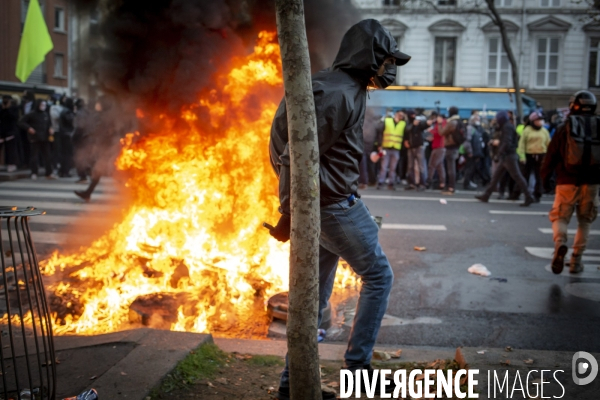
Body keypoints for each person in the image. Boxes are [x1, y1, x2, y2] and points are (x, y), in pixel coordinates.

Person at [268, 19, 410, 400]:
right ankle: (359, 371)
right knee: (379, 276)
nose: (389, 70)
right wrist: (289, 213)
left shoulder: (341, 85)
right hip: (332, 206)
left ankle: (293, 384)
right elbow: (294, 154)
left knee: (313, 295)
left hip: (326, 205)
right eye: (386, 60)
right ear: (368, 57)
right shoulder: (339, 93)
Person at [541, 90, 600, 274]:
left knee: (560, 217)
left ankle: (560, 244)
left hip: (566, 181)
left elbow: (550, 156)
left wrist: (545, 179)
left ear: (573, 105)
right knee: (585, 221)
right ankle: (576, 261)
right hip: (591, 182)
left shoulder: (565, 127)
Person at [475, 110, 535, 206]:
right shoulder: (507, 126)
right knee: (496, 176)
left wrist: (499, 154)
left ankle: (528, 196)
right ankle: (486, 195)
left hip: (509, 156)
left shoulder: (507, 127)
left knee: (517, 176)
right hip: (506, 155)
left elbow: (506, 142)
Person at [74, 97, 119, 201]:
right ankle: (87, 193)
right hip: (105, 148)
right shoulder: (103, 116)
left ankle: (138, 194)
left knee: (117, 172)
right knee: (98, 172)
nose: (96, 105)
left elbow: (106, 133)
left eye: (98, 103)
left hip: (109, 149)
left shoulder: (106, 118)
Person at [518, 111, 550, 202]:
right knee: (526, 176)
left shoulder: (544, 131)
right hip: (529, 155)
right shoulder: (527, 130)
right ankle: (526, 195)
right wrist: (522, 156)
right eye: (538, 120)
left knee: (539, 176)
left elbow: (549, 144)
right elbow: (522, 144)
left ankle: (538, 194)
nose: (540, 122)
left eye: (541, 120)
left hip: (541, 155)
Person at [18, 99, 55, 180]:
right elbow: (21, 121)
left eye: (44, 105)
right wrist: (29, 128)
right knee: (34, 156)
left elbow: (49, 124)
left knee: (48, 156)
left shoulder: (45, 114)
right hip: (35, 138)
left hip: (45, 138)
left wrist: (51, 129)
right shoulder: (32, 114)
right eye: (42, 105)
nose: (43, 107)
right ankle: (34, 172)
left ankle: (49, 173)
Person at [376, 109, 404, 190]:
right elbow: (380, 132)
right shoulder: (387, 121)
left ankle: (391, 183)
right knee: (384, 166)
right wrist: (379, 145)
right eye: (399, 114)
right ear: (396, 114)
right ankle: (380, 182)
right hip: (386, 148)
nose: (401, 116)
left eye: (402, 115)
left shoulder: (403, 123)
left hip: (396, 149)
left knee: (393, 167)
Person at [403, 110, 432, 190]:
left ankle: (423, 183)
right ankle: (412, 183)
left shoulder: (418, 122)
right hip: (411, 146)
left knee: (421, 166)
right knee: (410, 166)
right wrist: (413, 125)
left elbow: (424, 125)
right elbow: (407, 130)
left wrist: (427, 123)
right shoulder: (408, 123)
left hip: (419, 146)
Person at [440, 106, 463, 195]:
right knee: (451, 167)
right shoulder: (459, 121)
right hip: (456, 147)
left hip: (450, 147)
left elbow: (442, 132)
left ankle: (451, 187)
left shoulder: (452, 122)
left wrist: (440, 124)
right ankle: (450, 186)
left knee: (450, 168)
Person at [462, 113, 487, 190]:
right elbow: (467, 141)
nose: (478, 121)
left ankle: (468, 182)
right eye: (476, 119)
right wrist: (470, 151)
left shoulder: (476, 129)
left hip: (475, 152)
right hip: (472, 152)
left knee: (472, 168)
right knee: (470, 168)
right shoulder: (470, 128)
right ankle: (466, 183)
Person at [0, 95, 21, 172]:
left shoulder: (14, 108)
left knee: (11, 149)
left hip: (11, 131)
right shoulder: (1, 107)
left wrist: (8, 109)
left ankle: (12, 164)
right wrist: (3, 109)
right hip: (2, 131)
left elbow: (15, 117)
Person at [426, 113, 446, 190]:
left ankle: (429, 181)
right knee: (440, 166)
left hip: (439, 147)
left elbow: (440, 133)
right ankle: (442, 183)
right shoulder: (438, 124)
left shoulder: (442, 124)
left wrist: (431, 131)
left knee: (432, 165)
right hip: (437, 146)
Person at [58, 97, 76, 177]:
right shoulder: (68, 111)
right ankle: (65, 171)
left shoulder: (64, 110)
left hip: (64, 134)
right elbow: (72, 122)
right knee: (68, 154)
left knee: (64, 154)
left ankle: (62, 171)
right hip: (67, 134)